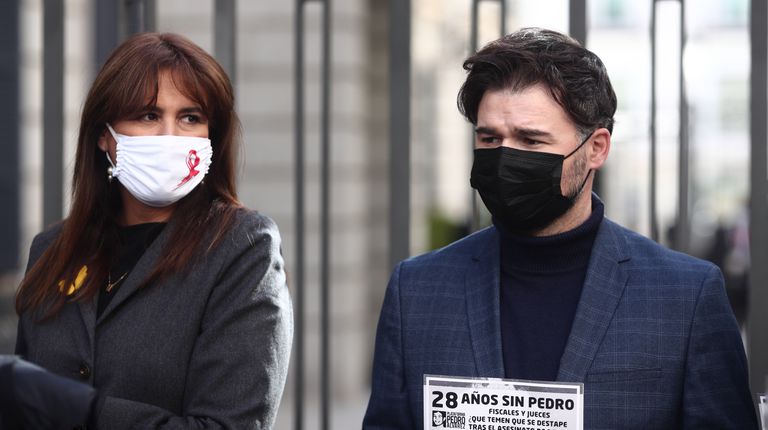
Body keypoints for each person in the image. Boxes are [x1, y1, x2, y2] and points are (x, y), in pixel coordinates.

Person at [363, 28, 757, 429]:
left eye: (531, 141)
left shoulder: (685, 297)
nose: (504, 158)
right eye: (489, 137)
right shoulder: (417, 291)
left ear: (596, 148)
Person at [15, 32, 292, 429]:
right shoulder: (52, 250)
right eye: (148, 115)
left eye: (190, 118)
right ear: (105, 137)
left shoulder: (243, 249)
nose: (169, 137)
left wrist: (84, 409)